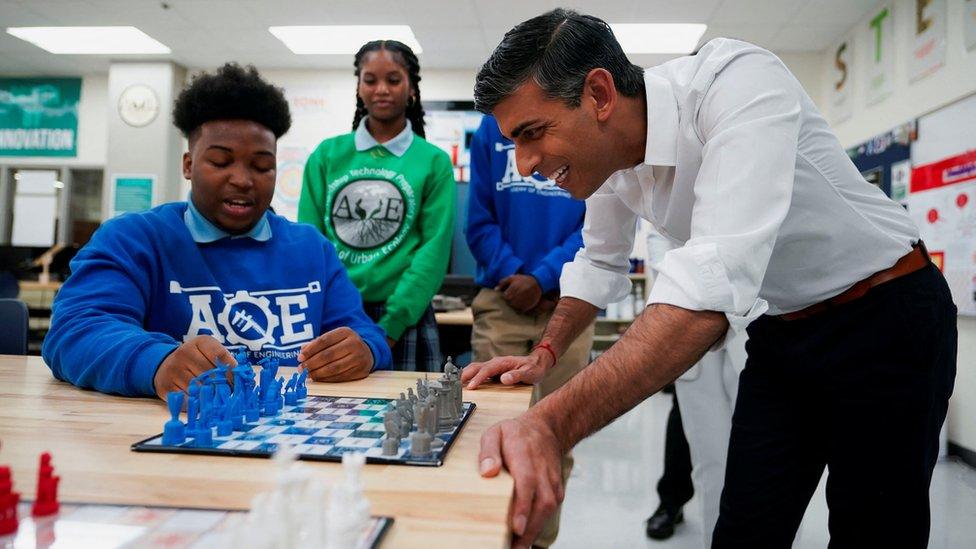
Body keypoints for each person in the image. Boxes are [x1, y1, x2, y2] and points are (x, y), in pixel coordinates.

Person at [462, 9, 956, 549]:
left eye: (532, 133)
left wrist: (551, 424)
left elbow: (709, 289)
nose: (526, 163)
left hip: (886, 312)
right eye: (515, 142)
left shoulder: (735, 83)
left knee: (874, 528)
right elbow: (600, 262)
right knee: (744, 527)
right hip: (787, 326)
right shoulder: (608, 160)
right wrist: (547, 353)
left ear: (599, 94)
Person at [42, 63, 391, 399]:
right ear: (189, 165)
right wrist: (157, 362)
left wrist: (366, 350)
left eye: (262, 165)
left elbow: (363, 332)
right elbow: (75, 331)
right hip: (172, 435)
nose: (242, 179)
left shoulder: (311, 248)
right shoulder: (134, 239)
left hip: (294, 436)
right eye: (221, 162)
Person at [465, 113, 592, 547]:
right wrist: (516, 275)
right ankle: (490, 537)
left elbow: (597, 226)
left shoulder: (580, 120)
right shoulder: (490, 127)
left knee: (556, 435)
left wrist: (542, 277)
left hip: (568, 304)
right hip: (502, 299)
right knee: (491, 432)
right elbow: (478, 221)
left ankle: (536, 541)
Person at [299, 40, 455, 372]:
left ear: (411, 87)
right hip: (337, 311)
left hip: (404, 316)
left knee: (413, 420)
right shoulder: (327, 155)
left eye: (394, 79)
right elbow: (311, 241)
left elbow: (434, 249)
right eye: (370, 80)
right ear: (359, 87)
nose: (381, 89)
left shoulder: (433, 161)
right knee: (332, 419)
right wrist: (331, 304)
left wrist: (390, 327)